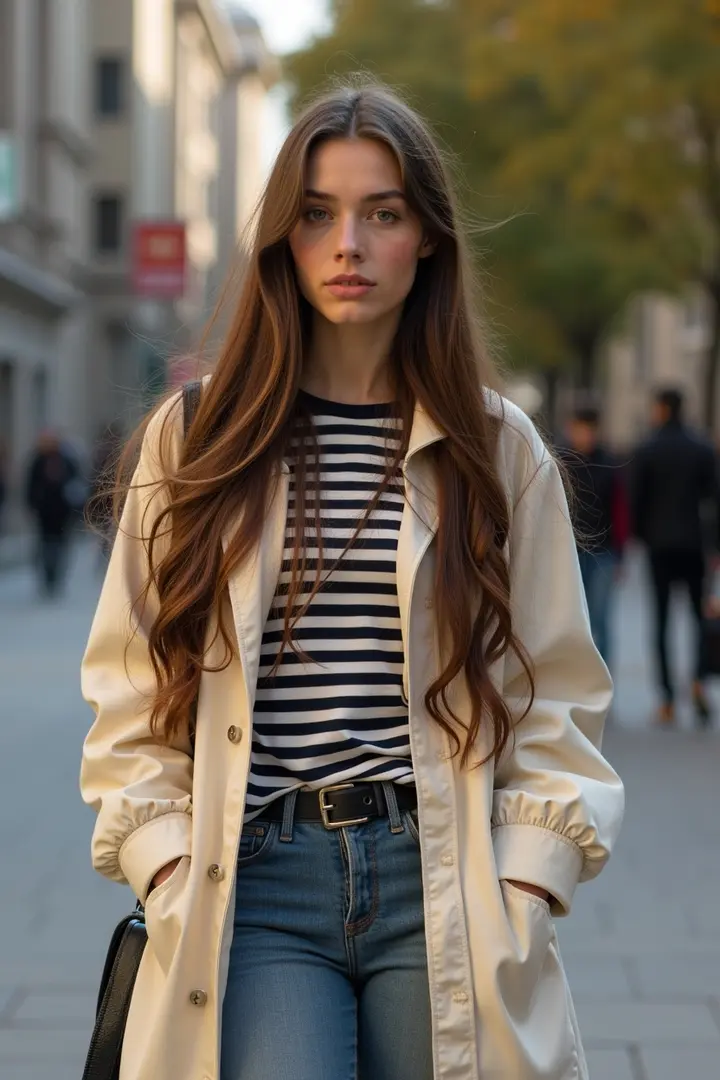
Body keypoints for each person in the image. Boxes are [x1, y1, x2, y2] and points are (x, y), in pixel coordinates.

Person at [79, 82, 624, 1080]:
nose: (349, 245)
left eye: (384, 213)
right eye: (320, 213)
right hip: (255, 885)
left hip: (444, 877)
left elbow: (557, 691)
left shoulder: (498, 452)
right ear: (284, 237)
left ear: (428, 239)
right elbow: (125, 686)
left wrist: (529, 883)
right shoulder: (197, 441)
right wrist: (162, 863)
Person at [633, 386, 719, 727]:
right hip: (695, 543)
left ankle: (667, 697)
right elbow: (714, 497)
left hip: (659, 545)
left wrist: (642, 536)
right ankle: (698, 680)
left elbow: (637, 498)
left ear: (662, 408)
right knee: (699, 617)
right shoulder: (701, 448)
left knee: (661, 619)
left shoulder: (648, 449)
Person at [558, 405, 629, 667]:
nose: (584, 436)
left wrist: (621, 553)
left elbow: (620, 512)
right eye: (580, 429)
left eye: (589, 430)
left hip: (603, 552)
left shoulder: (609, 464)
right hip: (568, 552)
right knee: (572, 621)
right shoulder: (560, 462)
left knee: (601, 620)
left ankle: (604, 684)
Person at [25, 430, 80, 596]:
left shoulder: (66, 461)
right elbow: (30, 485)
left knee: (61, 546)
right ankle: (47, 576)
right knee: (45, 546)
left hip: (62, 513)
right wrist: (32, 504)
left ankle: (57, 576)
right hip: (44, 512)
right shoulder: (37, 461)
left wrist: (76, 509)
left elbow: (76, 485)